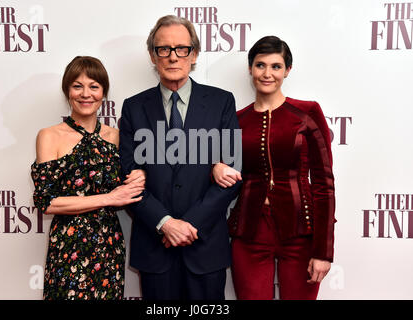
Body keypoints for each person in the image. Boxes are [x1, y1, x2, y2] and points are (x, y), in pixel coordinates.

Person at [119, 15, 242, 300]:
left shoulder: (222, 102)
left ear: (194, 53)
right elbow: (128, 175)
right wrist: (165, 222)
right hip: (154, 245)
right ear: (153, 55)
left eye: (181, 49)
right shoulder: (134, 108)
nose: (173, 57)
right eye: (164, 49)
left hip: (205, 247)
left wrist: (190, 224)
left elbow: (232, 174)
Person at [212, 36, 336, 300]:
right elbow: (220, 169)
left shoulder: (307, 113)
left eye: (276, 66)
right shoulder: (236, 120)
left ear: (287, 70)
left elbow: (324, 184)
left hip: (302, 234)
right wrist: (215, 166)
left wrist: (323, 252)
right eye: (260, 65)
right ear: (250, 68)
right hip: (249, 234)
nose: (267, 74)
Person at [31, 56, 145, 300]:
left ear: (103, 93)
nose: (86, 94)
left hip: (109, 245)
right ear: (67, 91)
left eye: (94, 86)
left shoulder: (117, 136)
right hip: (67, 246)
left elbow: (132, 185)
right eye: (77, 86)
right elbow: (47, 202)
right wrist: (109, 198)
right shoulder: (49, 136)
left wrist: (140, 175)